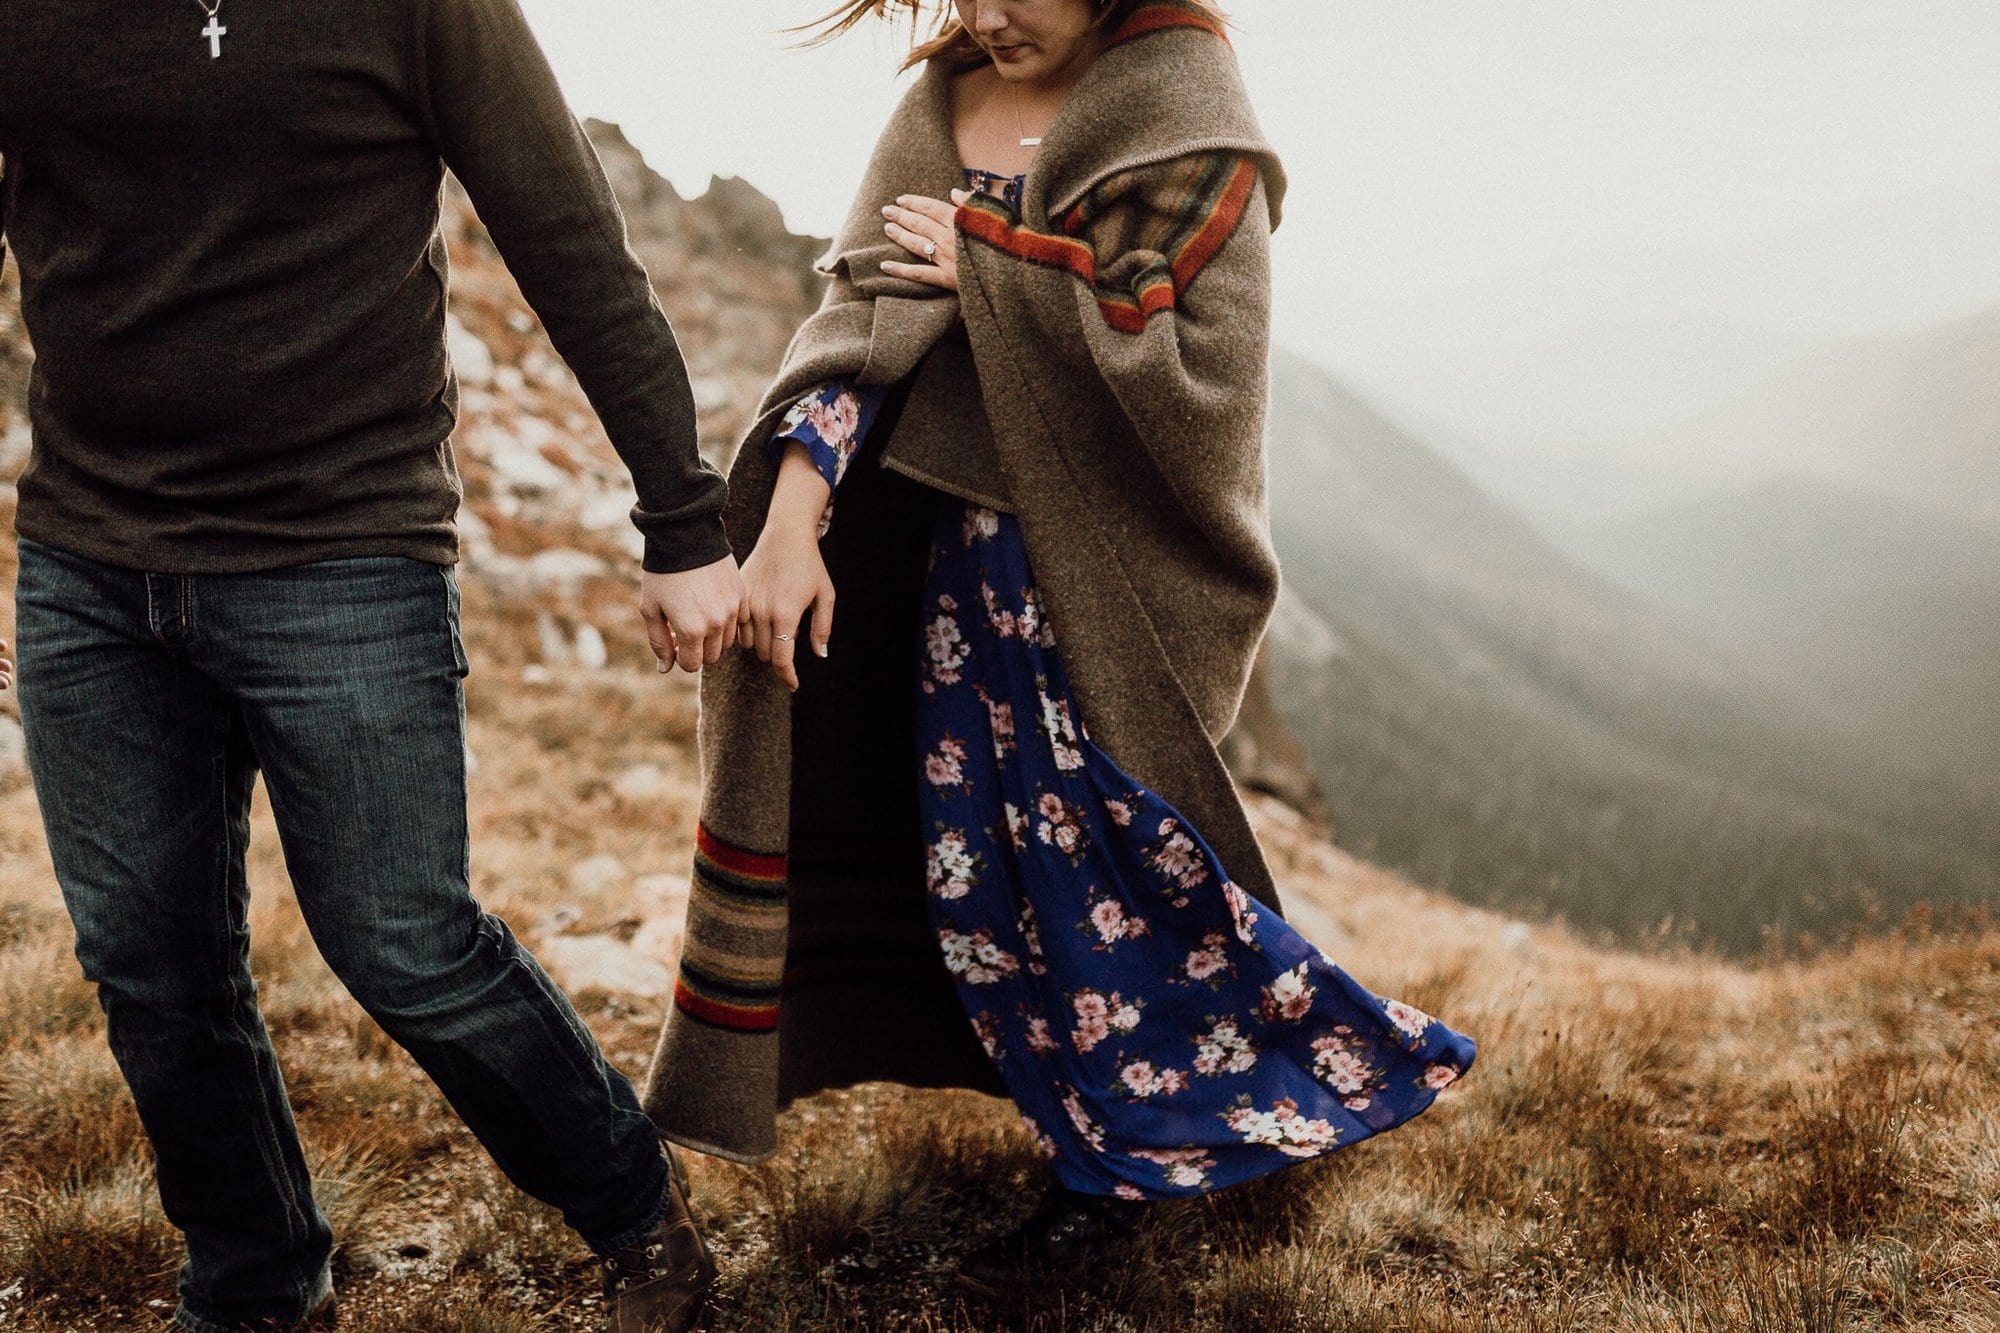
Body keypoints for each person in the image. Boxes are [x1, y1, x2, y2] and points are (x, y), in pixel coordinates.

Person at [642, 0, 1477, 1297]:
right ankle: (1105, 1142)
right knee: (990, 885)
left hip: (1099, 587)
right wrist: (794, 518)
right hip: (947, 586)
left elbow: (1184, 367)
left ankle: (1192, 1135)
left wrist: (987, 259)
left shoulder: (1181, 108)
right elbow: (859, 328)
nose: (982, 13)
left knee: (1111, 872)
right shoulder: (938, 106)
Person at [0, 1, 739, 1328]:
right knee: (153, 965)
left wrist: (682, 516)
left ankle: (639, 1219)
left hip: (340, 548)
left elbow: (566, 232)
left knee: (406, 940)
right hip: (90, 559)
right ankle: (255, 1280)